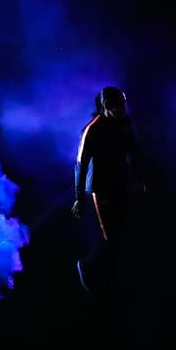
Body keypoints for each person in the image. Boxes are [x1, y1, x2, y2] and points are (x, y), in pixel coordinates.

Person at [72, 86, 144, 294]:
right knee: (111, 237)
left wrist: (138, 177)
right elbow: (81, 165)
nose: (122, 108)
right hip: (101, 188)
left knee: (121, 234)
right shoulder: (93, 130)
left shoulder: (124, 123)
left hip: (120, 182)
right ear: (107, 106)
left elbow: (132, 151)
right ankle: (89, 267)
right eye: (118, 105)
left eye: (124, 104)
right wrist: (79, 198)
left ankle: (111, 278)